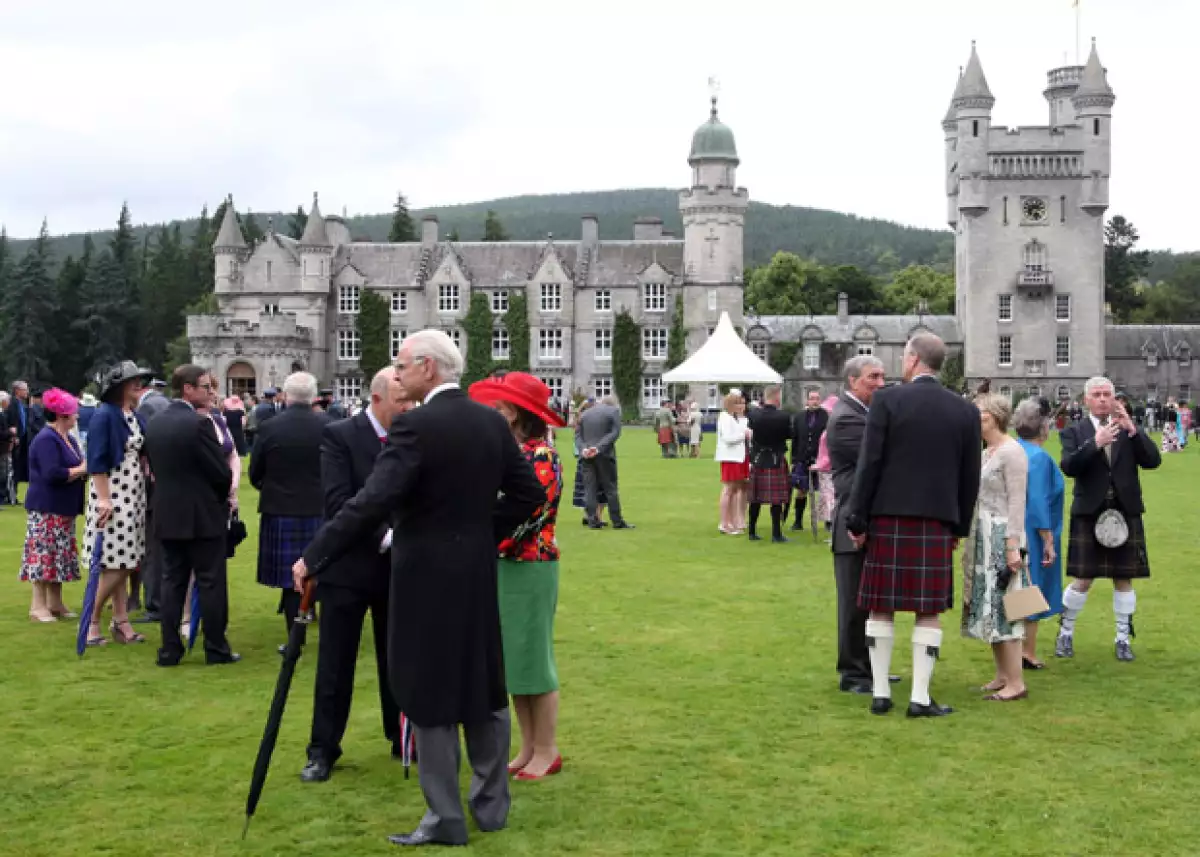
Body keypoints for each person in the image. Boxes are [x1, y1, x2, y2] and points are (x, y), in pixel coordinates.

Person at [292, 329, 544, 848]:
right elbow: (528, 494)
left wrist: (315, 554)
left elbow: (369, 503)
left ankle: (445, 819)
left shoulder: (414, 427)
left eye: (402, 364)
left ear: (429, 368)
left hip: (424, 575)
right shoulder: (489, 423)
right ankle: (492, 807)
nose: (397, 372)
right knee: (482, 681)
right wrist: (477, 533)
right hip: (473, 571)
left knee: (428, 692)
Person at [845, 334, 981, 718]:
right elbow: (969, 478)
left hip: (887, 517)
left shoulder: (887, 401)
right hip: (937, 521)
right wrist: (959, 528)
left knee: (880, 608)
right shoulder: (965, 411)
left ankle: (882, 693)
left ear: (914, 359)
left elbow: (869, 464)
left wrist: (858, 517)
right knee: (928, 611)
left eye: (904, 356)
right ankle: (920, 698)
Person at [301, 368, 410, 783]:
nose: (409, 407)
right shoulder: (340, 436)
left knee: (397, 659)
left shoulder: (411, 437)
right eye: (402, 401)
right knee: (335, 663)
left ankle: (402, 738)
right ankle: (323, 749)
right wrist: (386, 537)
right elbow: (338, 502)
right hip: (348, 567)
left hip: (398, 569)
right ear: (379, 398)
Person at [468, 372, 566, 781]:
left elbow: (527, 517)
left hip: (530, 564)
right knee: (515, 662)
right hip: (509, 565)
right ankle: (528, 746)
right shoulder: (517, 453)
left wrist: (484, 540)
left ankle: (547, 749)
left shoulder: (539, 456)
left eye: (496, 407)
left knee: (534, 661)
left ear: (511, 413)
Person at [1055, 377, 1161, 662]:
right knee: (1083, 579)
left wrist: (1133, 430)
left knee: (1124, 578)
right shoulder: (1075, 432)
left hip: (1126, 510)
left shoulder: (1128, 430)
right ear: (1086, 400)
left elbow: (1153, 460)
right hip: (1090, 511)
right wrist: (1095, 444)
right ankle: (1065, 633)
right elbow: (1069, 467)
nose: (1103, 399)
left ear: (1115, 399)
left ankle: (1123, 639)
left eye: (1107, 394)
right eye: (1097, 394)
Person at [143, 364, 237, 666]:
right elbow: (220, 473)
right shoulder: (198, 424)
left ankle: (170, 649)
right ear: (187, 389)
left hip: (167, 511)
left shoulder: (155, 423)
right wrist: (222, 497)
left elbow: (153, 468)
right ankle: (215, 647)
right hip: (202, 514)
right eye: (205, 387)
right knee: (209, 582)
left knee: (172, 583)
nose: (210, 393)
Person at [961, 394, 1030, 702]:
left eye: (981, 414)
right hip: (983, 534)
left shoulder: (1013, 452)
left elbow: (1018, 501)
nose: (977, 419)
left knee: (1008, 606)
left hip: (1003, 534)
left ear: (995, 417)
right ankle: (1002, 674)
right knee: (989, 604)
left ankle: (1016, 682)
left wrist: (1013, 545)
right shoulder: (987, 452)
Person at [249, 372, 327, 640]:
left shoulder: (270, 427)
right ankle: (309, 614)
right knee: (315, 566)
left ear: (285, 395)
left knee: (290, 574)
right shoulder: (329, 426)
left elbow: (255, 472)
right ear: (313, 396)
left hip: (280, 507)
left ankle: (296, 635)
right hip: (318, 507)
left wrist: (271, 489)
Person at [82, 361, 153, 648]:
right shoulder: (105, 416)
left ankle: (121, 622)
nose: (139, 385)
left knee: (125, 561)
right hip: (111, 494)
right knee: (117, 564)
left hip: (134, 495)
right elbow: (96, 461)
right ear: (119, 387)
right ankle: (92, 620)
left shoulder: (133, 416)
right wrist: (104, 499)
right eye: (133, 381)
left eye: (139, 381)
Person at [827, 356, 886, 694]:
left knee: (871, 602)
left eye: (881, 376)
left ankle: (871, 667)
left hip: (866, 520)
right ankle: (853, 673)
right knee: (854, 604)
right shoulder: (848, 419)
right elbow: (877, 460)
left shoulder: (863, 414)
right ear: (853, 381)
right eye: (872, 377)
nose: (880, 383)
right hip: (852, 523)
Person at [20, 389, 87, 622]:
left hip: (63, 508)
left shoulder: (68, 439)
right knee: (43, 556)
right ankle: (37, 606)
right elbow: (52, 474)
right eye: (73, 414)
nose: (76, 417)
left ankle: (55, 603)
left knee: (59, 557)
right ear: (61, 416)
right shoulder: (47, 439)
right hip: (46, 507)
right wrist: (81, 469)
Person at [1012, 398, 1065, 669]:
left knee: (1019, 589)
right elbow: (1037, 501)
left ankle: (1018, 649)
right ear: (1044, 426)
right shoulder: (1039, 457)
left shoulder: (1013, 449)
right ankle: (1027, 651)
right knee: (1031, 588)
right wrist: (1048, 539)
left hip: (1013, 528)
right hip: (1032, 532)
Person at [578, 394, 633, 530]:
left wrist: (584, 449)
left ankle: (593, 520)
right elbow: (615, 433)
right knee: (610, 488)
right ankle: (617, 521)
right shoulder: (613, 411)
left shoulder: (586, 413)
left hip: (586, 456)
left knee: (590, 488)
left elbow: (578, 435)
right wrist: (598, 448)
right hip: (604, 454)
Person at [746, 385, 792, 543]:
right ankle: (776, 534)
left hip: (758, 459)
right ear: (776, 397)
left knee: (755, 498)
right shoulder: (784, 417)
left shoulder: (753, 415)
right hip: (776, 459)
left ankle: (751, 532)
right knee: (777, 500)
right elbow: (789, 435)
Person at [790, 390, 829, 531]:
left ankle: (828, 522)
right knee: (801, 490)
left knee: (825, 492)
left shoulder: (826, 417)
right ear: (807, 401)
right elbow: (795, 439)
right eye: (812, 398)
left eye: (817, 398)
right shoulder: (799, 417)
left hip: (821, 460)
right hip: (802, 459)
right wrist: (794, 459)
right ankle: (798, 521)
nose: (815, 401)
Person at [715, 391, 750, 535]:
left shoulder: (737, 418)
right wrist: (744, 435)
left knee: (736, 489)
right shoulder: (725, 418)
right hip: (730, 458)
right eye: (737, 403)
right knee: (728, 489)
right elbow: (728, 438)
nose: (741, 406)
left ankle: (734, 520)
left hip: (740, 457)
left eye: (742, 403)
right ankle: (724, 523)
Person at [570, 398, 607, 526]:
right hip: (596, 456)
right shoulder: (595, 422)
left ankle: (588, 515)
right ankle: (597, 516)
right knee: (601, 487)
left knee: (586, 487)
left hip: (583, 457)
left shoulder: (579, 422)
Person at [6, 381, 31, 502]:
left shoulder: (21, 405)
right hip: (14, 440)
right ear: (17, 390)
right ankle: (9, 495)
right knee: (12, 468)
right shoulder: (11, 404)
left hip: (21, 440)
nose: (27, 392)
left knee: (17, 468)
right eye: (25, 389)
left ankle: (13, 495)